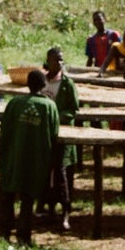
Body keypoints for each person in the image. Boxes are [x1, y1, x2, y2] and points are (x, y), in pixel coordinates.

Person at [0, 68, 62, 247]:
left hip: (13, 156)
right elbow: (54, 133)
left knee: (7, 194)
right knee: (27, 198)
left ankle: (4, 232)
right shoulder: (49, 106)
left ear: (27, 84)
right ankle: (23, 236)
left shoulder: (14, 103)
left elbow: (4, 127)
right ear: (44, 85)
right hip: (35, 159)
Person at [41, 47, 80, 231]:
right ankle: (48, 209)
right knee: (43, 172)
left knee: (61, 174)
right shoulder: (42, 81)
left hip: (61, 134)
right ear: (48, 60)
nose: (59, 63)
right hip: (43, 135)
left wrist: (55, 115)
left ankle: (66, 211)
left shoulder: (67, 84)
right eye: (56, 59)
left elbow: (73, 109)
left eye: (61, 60)